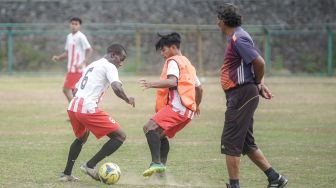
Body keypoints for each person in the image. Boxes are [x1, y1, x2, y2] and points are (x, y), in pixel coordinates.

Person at [216, 4, 288, 188]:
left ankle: (234, 186)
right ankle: (275, 178)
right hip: (241, 94)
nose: (217, 23)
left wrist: (258, 82)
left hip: (241, 94)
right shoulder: (238, 36)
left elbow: (259, 62)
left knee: (230, 141)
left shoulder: (238, 38)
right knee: (246, 143)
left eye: (218, 20)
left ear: (223, 22)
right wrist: (257, 83)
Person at [59, 44, 135, 182]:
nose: (121, 64)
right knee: (120, 136)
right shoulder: (109, 66)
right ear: (113, 55)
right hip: (86, 107)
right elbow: (117, 88)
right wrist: (127, 99)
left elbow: (75, 90)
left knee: (81, 138)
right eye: (121, 59)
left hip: (73, 106)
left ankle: (66, 174)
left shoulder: (92, 65)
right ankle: (89, 165)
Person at [140, 32, 203, 178]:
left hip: (177, 108)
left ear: (173, 47)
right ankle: (160, 173)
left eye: (164, 49)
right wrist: (196, 105)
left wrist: (151, 84)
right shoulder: (187, 64)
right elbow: (199, 88)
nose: (162, 53)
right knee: (160, 135)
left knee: (148, 127)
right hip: (188, 111)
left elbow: (172, 82)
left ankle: (156, 163)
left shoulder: (173, 61)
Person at [52, 17, 93, 103]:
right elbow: (67, 53)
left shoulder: (81, 36)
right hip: (71, 68)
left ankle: (74, 109)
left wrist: (83, 63)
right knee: (75, 92)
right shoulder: (69, 37)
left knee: (66, 89)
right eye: (72, 24)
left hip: (77, 69)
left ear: (79, 26)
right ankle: (77, 111)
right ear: (69, 25)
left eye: (76, 24)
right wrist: (58, 58)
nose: (74, 26)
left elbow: (89, 50)